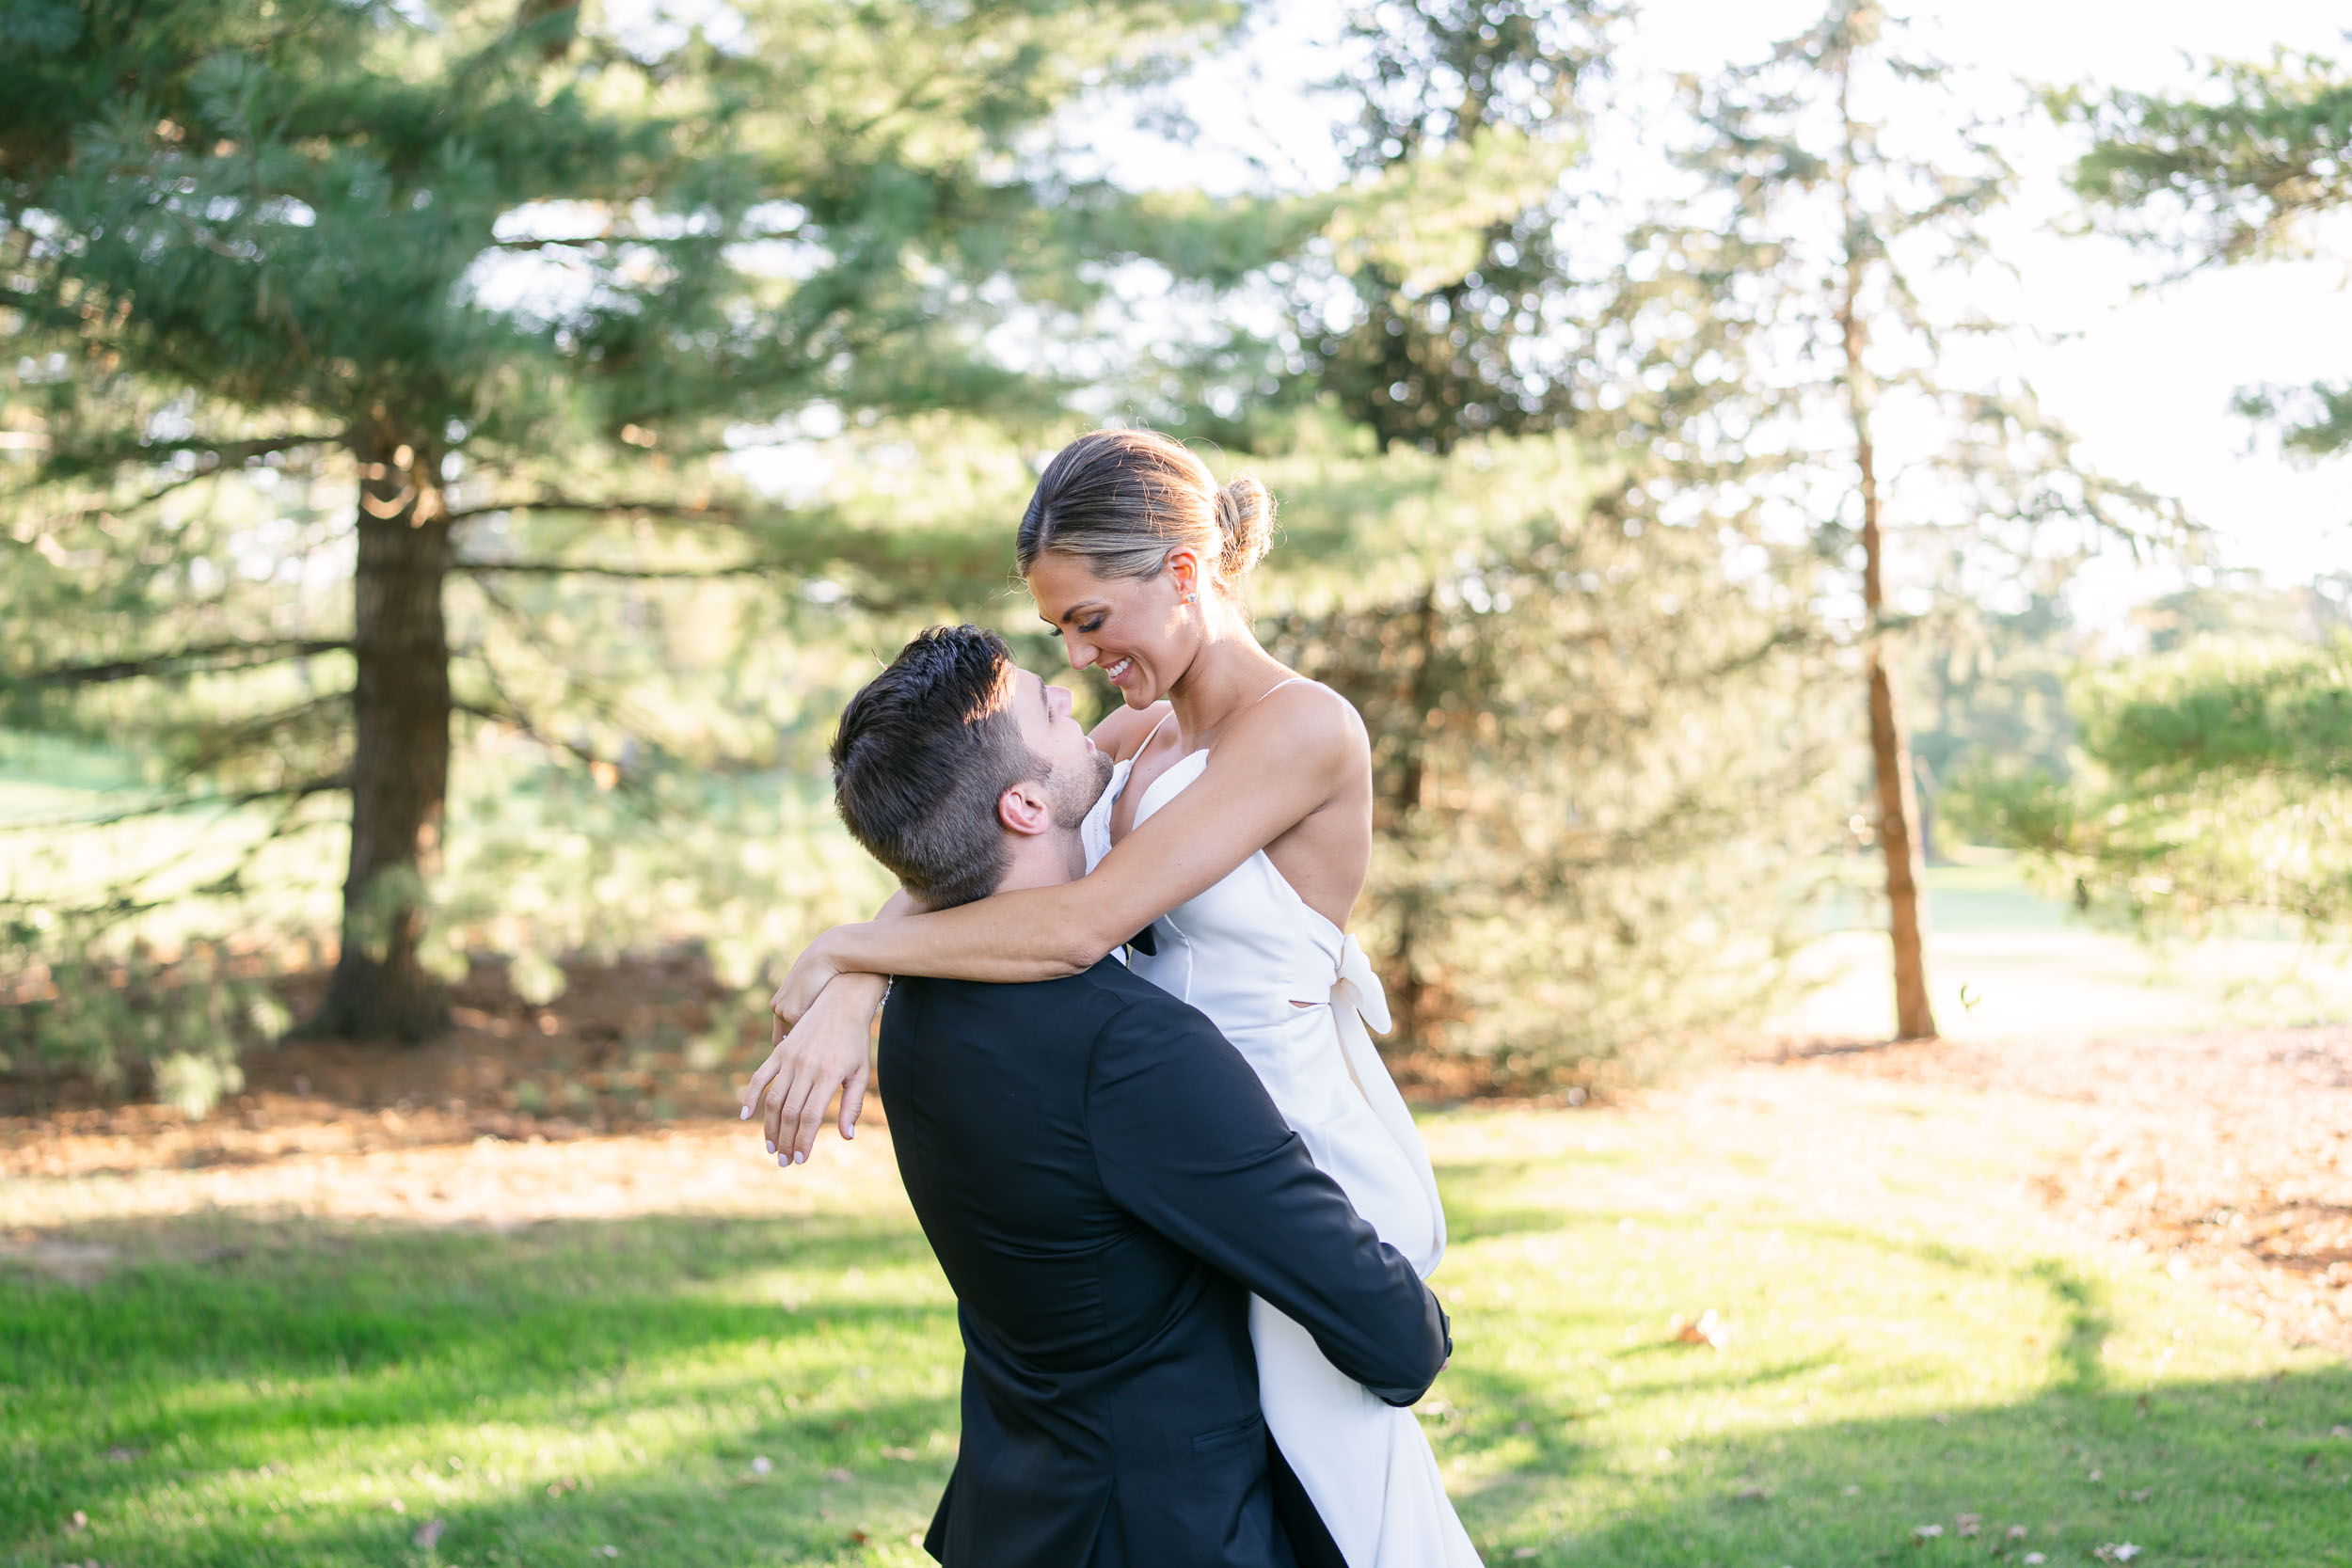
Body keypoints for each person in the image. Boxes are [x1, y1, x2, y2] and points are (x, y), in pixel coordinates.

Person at [745, 429, 1480, 1566]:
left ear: (1184, 574)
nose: (1080, 659)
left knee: (1357, 1513)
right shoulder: (1139, 734)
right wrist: (856, 977)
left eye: (1091, 620)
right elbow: (985, 843)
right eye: (1058, 633)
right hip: (1175, 1153)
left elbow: (1080, 922)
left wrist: (846, 946)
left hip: (1295, 1153)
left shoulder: (1300, 726)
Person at [829, 625, 1450, 1567]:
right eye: (1050, 709)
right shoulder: (1130, 1048)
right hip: (1166, 1532)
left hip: (1020, 1512)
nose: (1081, 706)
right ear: (1026, 804)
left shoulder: (920, 1005)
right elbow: (1392, 1333)